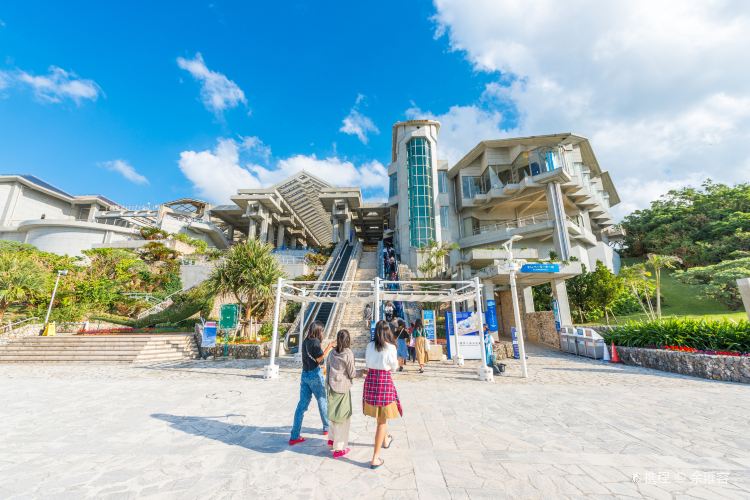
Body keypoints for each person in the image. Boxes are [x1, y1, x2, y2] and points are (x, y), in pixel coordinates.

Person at [289, 321, 334, 446]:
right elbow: (319, 359)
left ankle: (294, 435)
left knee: (301, 405)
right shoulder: (315, 342)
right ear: (318, 331)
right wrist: (329, 347)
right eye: (322, 330)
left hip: (304, 375)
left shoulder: (305, 341)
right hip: (314, 374)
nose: (323, 333)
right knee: (322, 400)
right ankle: (327, 427)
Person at [363, 320, 401, 469]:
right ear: (387, 332)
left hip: (371, 379)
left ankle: (385, 439)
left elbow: (367, 363)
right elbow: (394, 367)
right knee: (382, 420)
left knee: (381, 416)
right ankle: (375, 458)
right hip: (384, 380)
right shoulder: (390, 347)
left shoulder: (369, 346)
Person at [326, 329, 356, 459]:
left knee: (333, 415)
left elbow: (327, 368)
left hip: (332, 386)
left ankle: (331, 439)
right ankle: (339, 447)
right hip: (343, 388)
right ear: (348, 340)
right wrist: (360, 372)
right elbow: (352, 373)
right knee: (342, 418)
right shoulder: (348, 353)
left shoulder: (332, 352)